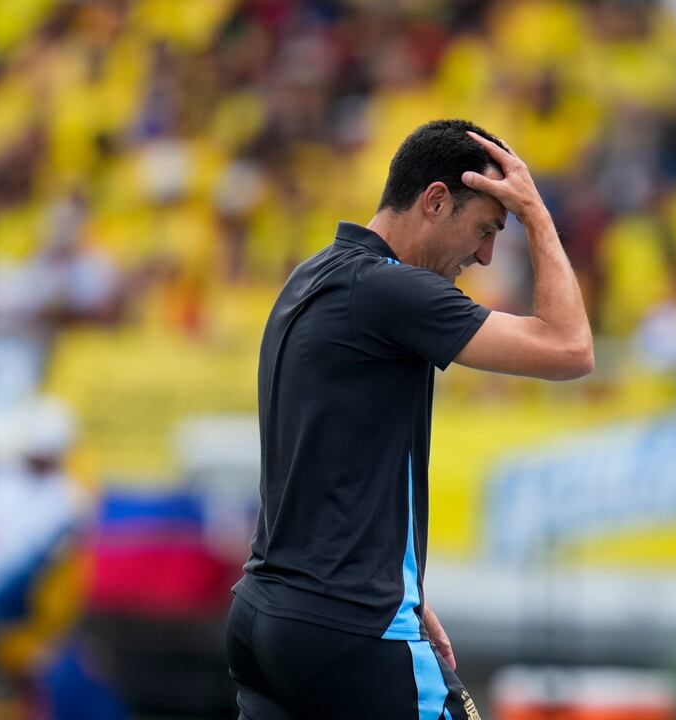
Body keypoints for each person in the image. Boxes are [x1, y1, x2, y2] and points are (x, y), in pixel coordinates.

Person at [225, 119, 593, 720]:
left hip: (267, 618)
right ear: (436, 200)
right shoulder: (388, 289)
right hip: (349, 629)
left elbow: (326, 464)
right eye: (486, 229)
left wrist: (408, 595)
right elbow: (570, 348)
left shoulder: (313, 275)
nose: (484, 255)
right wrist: (537, 215)